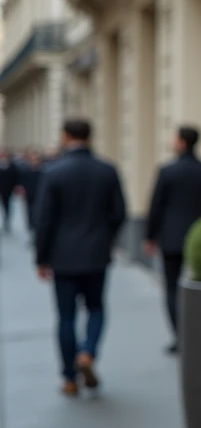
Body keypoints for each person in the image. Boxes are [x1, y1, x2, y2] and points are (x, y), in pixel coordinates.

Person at [35, 119, 126, 396]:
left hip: (63, 256)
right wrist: (104, 238)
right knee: (96, 307)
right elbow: (119, 213)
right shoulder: (107, 170)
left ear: (65, 137)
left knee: (66, 317)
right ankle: (87, 352)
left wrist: (41, 258)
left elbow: (44, 219)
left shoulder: (54, 172)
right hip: (96, 254)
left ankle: (69, 378)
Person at [144, 125, 201, 354]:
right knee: (200, 286)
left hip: (171, 238)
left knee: (171, 289)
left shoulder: (167, 171)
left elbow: (156, 206)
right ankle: (199, 333)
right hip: (199, 237)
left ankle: (180, 336)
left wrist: (149, 236)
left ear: (181, 143)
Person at [18, 150, 44, 240]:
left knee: (37, 212)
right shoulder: (25, 170)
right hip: (29, 195)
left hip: (39, 195)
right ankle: (31, 228)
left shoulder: (43, 171)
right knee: (29, 212)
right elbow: (22, 182)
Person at [0, 148, 18, 233]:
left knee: (7, 206)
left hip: (7, 189)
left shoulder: (11, 165)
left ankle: (7, 221)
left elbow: (15, 176)